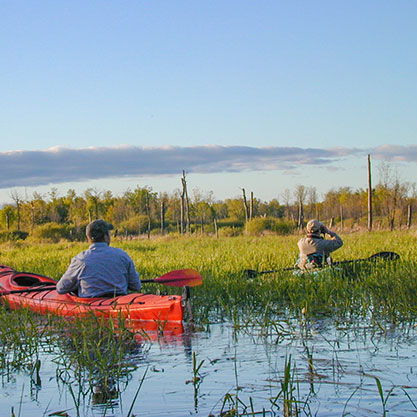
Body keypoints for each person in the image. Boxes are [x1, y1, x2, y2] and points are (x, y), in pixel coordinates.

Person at [56, 220, 141, 297]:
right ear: (105, 236)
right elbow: (136, 286)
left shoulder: (80, 259)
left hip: (90, 305)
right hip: (119, 304)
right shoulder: (122, 255)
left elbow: (61, 288)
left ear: (88, 237)